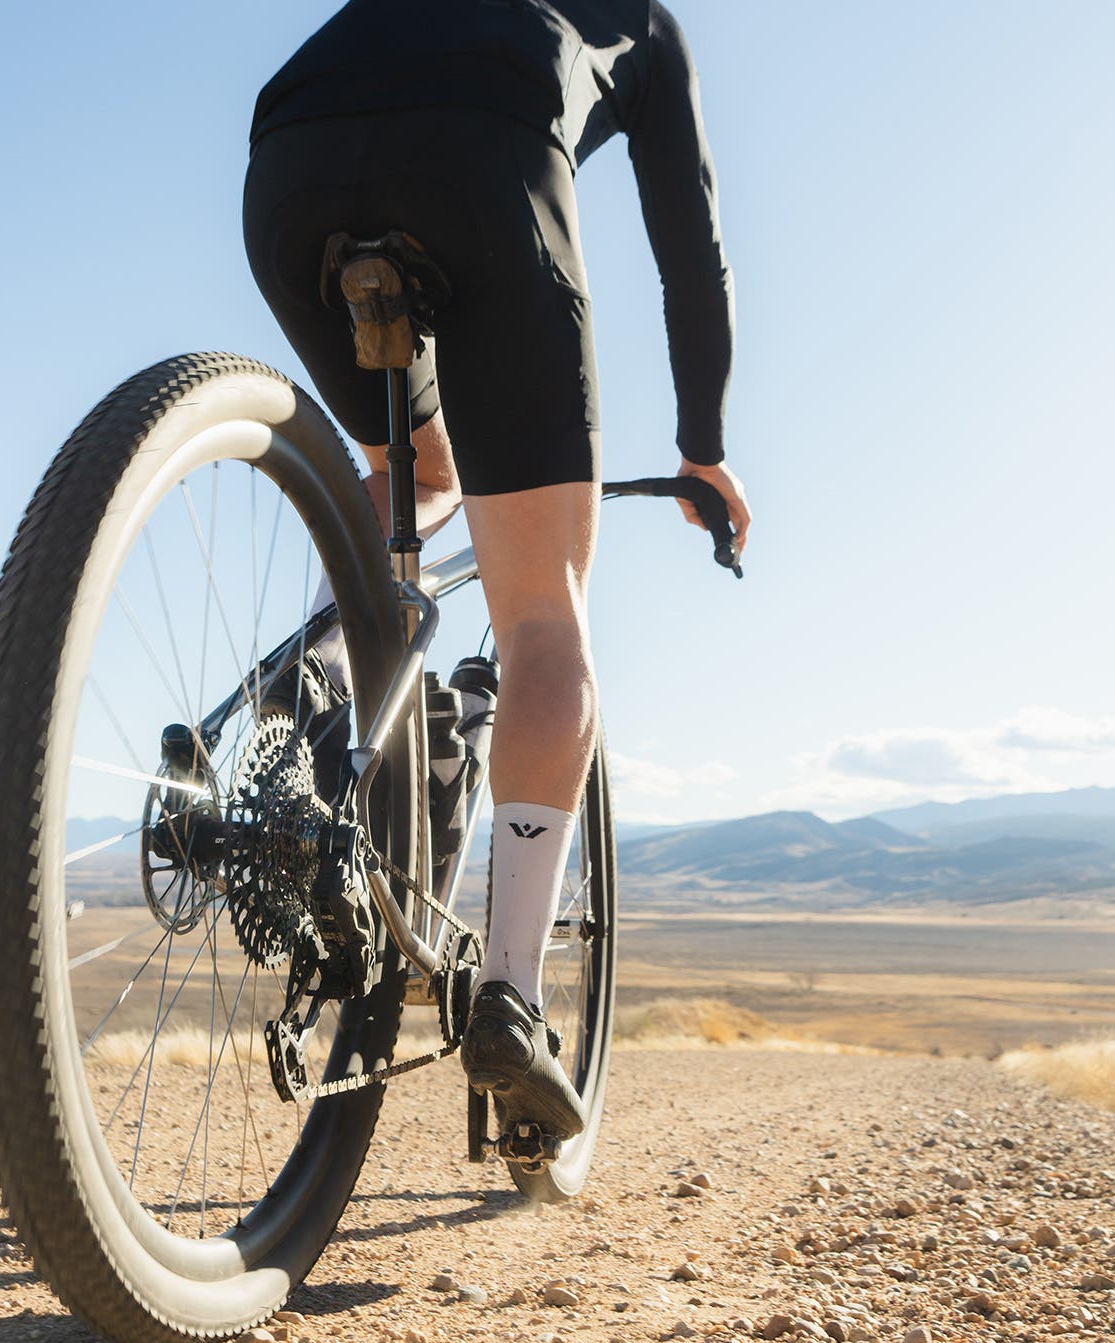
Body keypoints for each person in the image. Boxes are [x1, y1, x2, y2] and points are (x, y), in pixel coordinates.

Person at [242, 0, 749, 1142]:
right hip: (484, 158)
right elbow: (691, 248)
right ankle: (512, 999)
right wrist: (702, 452)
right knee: (542, 617)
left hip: (289, 163)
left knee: (415, 465)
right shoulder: (649, 29)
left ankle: (311, 714)